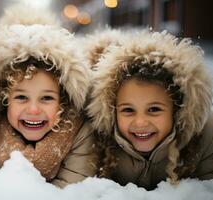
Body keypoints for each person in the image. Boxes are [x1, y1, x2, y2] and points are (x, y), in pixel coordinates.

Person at [0, 5, 96, 188]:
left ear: (63, 100)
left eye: (46, 98)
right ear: (4, 99)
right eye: (21, 98)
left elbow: (74, 189)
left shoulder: (78, 131)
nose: (33, 110)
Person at [86, 30, 213, 190]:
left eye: (153, 109)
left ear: (178, 110)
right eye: (128, 110)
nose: (140, 122)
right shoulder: (99, 141)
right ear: (112, 110)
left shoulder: (205, 137)